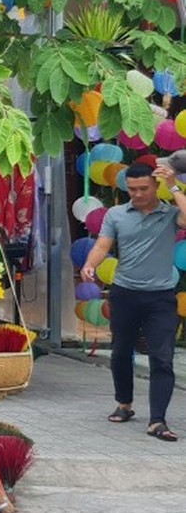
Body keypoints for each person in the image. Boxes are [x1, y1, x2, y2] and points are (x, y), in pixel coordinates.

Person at [83, 162, 185, 442]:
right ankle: (125, 404)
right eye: (132, 189)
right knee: (121, 351)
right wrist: (90, 265)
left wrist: (174, 185)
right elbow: (103, 245)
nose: (137, 194)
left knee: (162, 357)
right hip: (125, 293)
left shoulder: (170, 213)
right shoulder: (116, 214)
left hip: (161, 297)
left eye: (143, 189)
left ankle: (157, 420)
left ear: (156, 186)